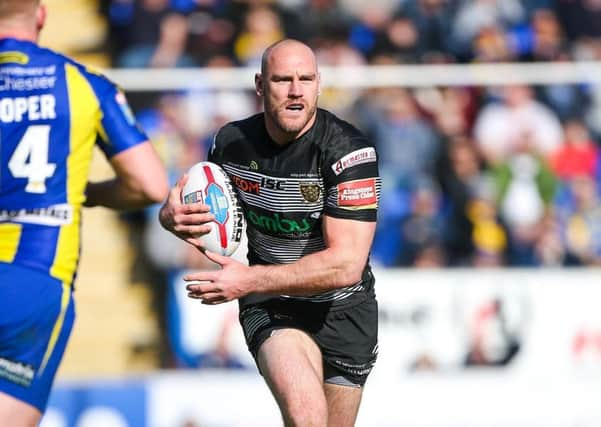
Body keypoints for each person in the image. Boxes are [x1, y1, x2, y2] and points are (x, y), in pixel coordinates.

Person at [159, 38, 381, 426]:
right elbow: (207, 211)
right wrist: (171, 217)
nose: (296, 91)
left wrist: (248, 279)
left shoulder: (349, 152)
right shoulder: (230, 143)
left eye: (305, 79)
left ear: (319, 83)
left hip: (344, 309)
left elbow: (345, 265)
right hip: (273, 302)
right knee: (307, 417)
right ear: (260, 85)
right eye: (282, 80)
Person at [0, 1, 168, 425]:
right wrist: (87, 194)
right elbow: (150, 184)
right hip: (35, 272)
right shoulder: (80, 82)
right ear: (40, 16)